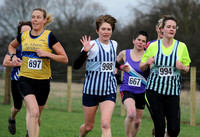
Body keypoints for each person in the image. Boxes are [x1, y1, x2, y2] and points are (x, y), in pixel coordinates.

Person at [8, 8, 68, 137]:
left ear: (44, 20)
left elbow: (64, 58)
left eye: (38, 17)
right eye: (33, 17)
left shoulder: (49, 36)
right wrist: (13, 57)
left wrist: (47, 54)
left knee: (37, 118)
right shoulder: (23, 36)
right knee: (33, 112)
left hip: (43, 82)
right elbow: (12, 46)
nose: (35, 20)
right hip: (25, 79)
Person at [74, 14, 128, 137]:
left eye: (109, 29)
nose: (106, 32)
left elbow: (110, 62)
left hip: (108, 90)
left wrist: (120, 67)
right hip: (91, 91)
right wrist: (85, 52)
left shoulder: (114, 44)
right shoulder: (91, 45)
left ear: (112, 31)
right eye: (103, 29)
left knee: (105, 124)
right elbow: (76, 65)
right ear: (97, 30)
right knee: (89, 127)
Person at [139, 15, 191, 137]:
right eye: (168, 26)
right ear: (162, 29)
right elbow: (141, 66)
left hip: (172, 92)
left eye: (174, 27)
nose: (171, 29)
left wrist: (183, 67)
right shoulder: (153, 46)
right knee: (160, 126)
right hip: (154, 90)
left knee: (174, 129)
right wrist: (146, 63)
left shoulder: (181, 47)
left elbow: (187, 67)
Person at [116, 30, 149, 137]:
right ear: (133, 41)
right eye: (139, 40)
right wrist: (118, 71)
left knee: (137, 121)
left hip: (142, 91)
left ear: (145, 44)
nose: (140, 42)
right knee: (131, 114)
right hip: (127, 89)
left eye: (143, 41)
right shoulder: (124, 53)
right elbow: (113, 64)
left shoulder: (147, 56)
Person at [3, 21, 32, 135]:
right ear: (19, 34)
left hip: (30, 80)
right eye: (23, 32)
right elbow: (5, 62)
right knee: (17, 107)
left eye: (28, 31)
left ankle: (29, 132)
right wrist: (18, 63)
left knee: (30, 108)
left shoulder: (35, 46)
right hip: (16, 80)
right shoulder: (16, 48)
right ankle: (12, 119)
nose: (26, 34)